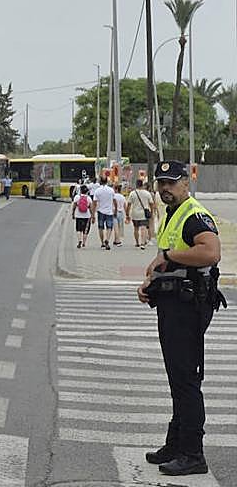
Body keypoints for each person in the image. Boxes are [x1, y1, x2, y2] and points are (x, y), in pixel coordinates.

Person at [138, 160, 225, 477]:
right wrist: (151, 278)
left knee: (186, 380)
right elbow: (170, 255)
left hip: (188, 308)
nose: (164, 189)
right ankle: (175, 445)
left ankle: (192, 453)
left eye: (171, 183)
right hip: (174, 304)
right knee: (179, 379)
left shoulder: (194, 215)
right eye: (160, 183)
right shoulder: (173, 214)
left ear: (186, 184)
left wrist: (169, 257)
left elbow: (211, 252)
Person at [128, 178, 155, 250]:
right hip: (144, 214)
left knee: (136, 228)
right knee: (144, 228)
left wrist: (127, 214)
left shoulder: (132, 193)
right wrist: (152, 212)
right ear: (142, 184)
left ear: (136, 184)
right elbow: (151, 203)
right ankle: (143, 243)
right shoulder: (147, 193)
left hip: (135, 214)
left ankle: (137, 242)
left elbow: (129, 204)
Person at [93, 175, 116, 250]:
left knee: (100, 227)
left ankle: (102, 242)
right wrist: (115, 209)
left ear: (100, 182)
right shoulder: (111, 190)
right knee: (109, 227)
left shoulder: (97, 191)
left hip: (100, 211)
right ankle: (107, 240)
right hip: (109, 211)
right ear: (107, 181)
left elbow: (94, 203)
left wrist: (93, 214)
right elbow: (114, 200)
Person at [71, 184, 93, 249]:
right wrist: (92, 215)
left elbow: (74, 206)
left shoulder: (77, 197)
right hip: (87, 216)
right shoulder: (89, 198)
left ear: (80, 191)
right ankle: (84, 243)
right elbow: (91, 208)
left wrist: (73, 214)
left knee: (78, 229)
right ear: (87, 191)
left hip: (78, 215)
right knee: (85, 230)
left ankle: (79, 240)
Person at [113, 183, 127, 247]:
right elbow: (125, 206)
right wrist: (127, 214)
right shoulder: (122, 197)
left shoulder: (113, 196)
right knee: (119, 227)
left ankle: (118, 240)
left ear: (116, 189)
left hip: (114, 212)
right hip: (121, 212)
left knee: (115, 227)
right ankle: (116, 240)